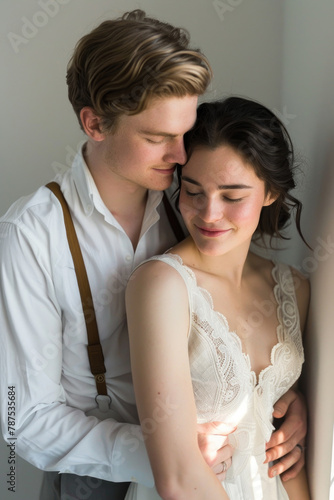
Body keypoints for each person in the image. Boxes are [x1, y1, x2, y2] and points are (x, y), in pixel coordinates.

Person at [0, 9, 305, 500]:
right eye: (158, 138)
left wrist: (284, 401)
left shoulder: (192, 202)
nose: (182, 155)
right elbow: (24, 419)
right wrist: (162, 455)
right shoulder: (32, 235)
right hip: (95, 478)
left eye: (184, 133)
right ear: (95, 123)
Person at [125, 97, 311, 499]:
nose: (208, 214)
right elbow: (176, 478)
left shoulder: (292, 287)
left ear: (270, 192)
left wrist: (300, 410)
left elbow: (279, 442)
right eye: (193, 191)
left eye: (232, 196)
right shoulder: (162, 285)